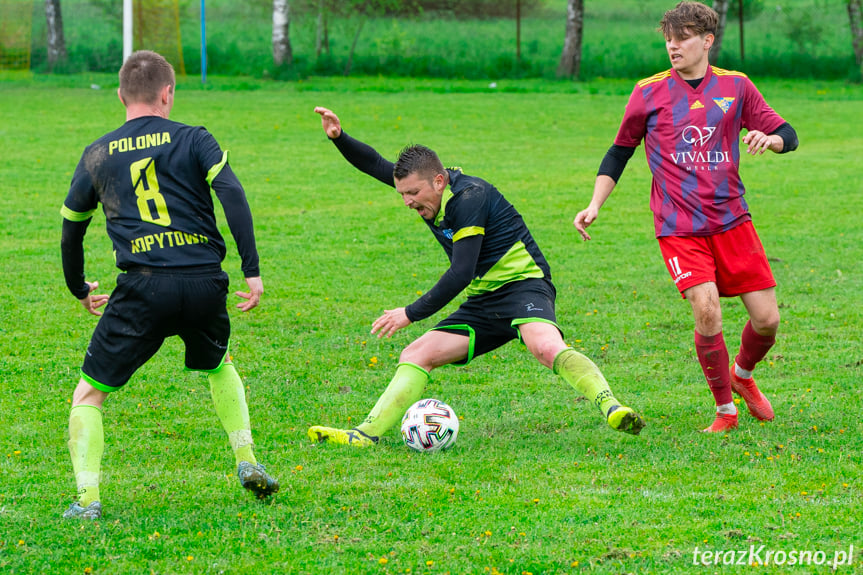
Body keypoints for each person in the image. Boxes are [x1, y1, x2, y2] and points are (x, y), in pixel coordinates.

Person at [307, 106, 645, 448]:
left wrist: (409, 313)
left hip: (523, 285)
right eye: (402, 194)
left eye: (413, 194)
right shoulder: (426, 188)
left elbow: (461, 272)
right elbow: (376, 165)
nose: (408, 202)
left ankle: (612, 406)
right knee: (415, 354)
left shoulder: (469, 198)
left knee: (544, 346)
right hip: (485, 299)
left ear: (439, 182)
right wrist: (339, 138)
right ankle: (364, 437)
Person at [60, 50, 278, 519]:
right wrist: (252, 269)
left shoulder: (98, 153)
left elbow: (71, 226)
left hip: (143, 287)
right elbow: (233, 194)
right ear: (168, 94)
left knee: (89, 395)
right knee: (219, 365)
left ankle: (87, 501)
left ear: (120, 96)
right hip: (204, 282)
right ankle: (248, 462)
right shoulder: (195, 138)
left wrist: (79, 286)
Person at [573, 2, 798, 433]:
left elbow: (788, 134)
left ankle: (743, 377)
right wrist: (595, 203)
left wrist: (769, 139)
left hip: (733, 219)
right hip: (679, 226)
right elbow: (619, 151)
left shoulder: (737, 86)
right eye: (668, 39)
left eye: (682, 38)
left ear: (707, 41)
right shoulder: (648, 91)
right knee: (708, 310)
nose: (672, 46)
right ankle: (725, 410)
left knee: (768, 320)